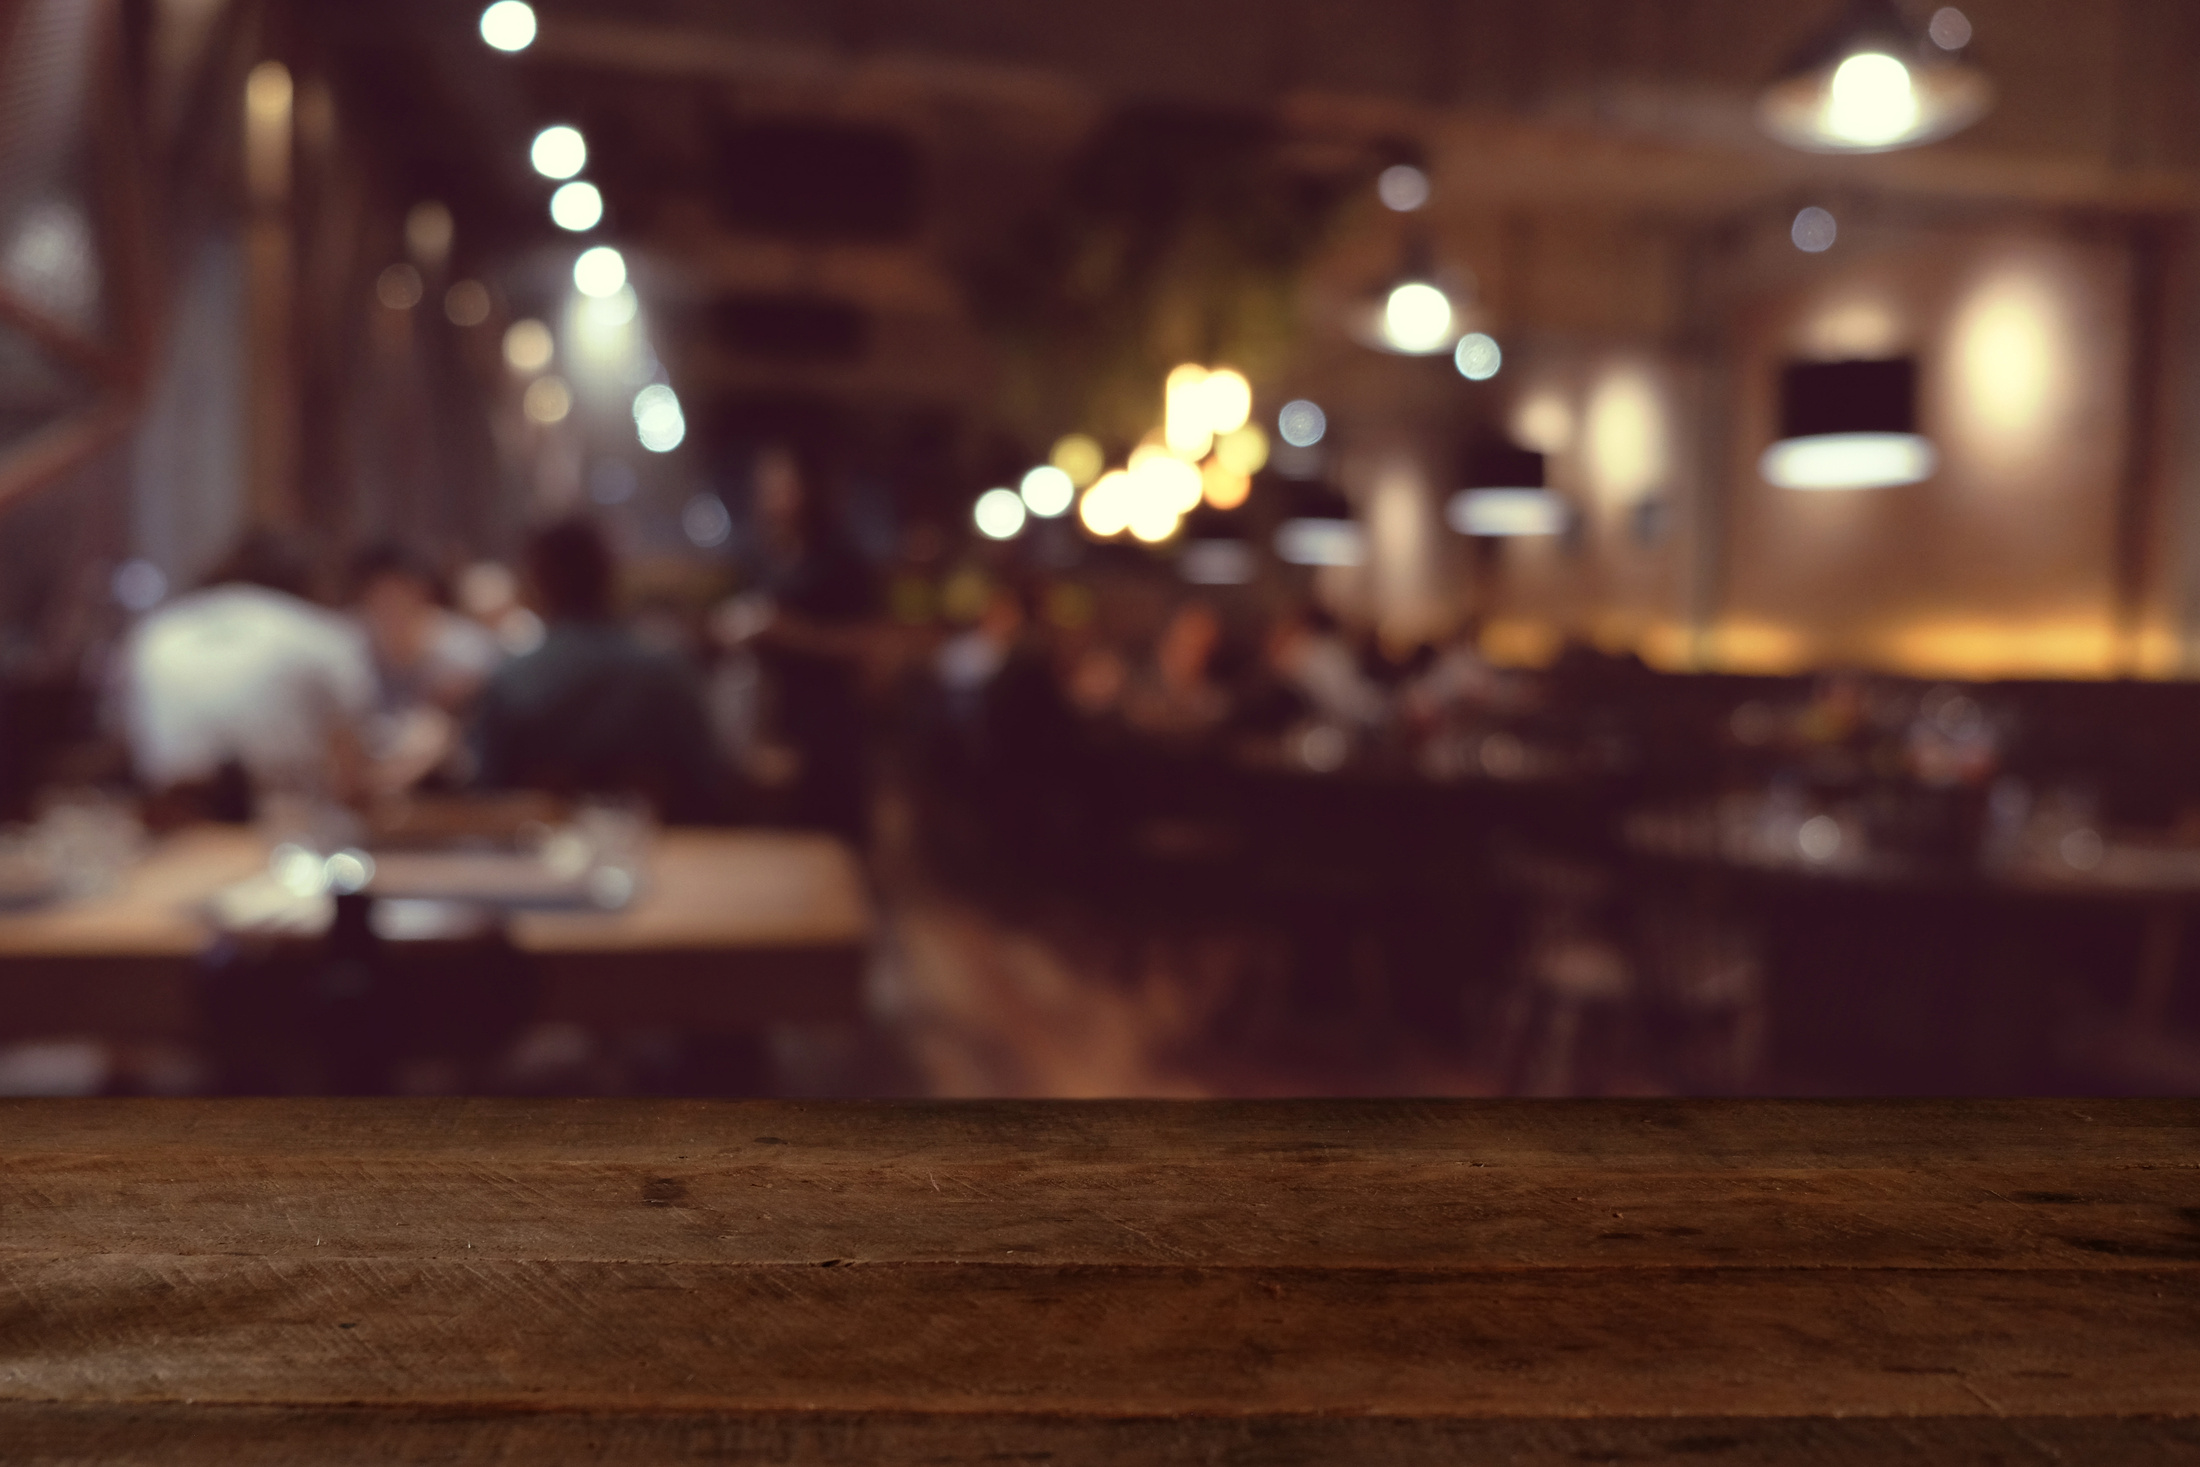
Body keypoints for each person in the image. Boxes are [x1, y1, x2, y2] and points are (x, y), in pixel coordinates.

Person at [472, 516, 727, 823]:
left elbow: (486, 800)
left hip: (541, 860)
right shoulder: (667, 672)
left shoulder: (511, 681)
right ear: (611, 575)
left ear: (537, 582)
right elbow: (710, 785)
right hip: (658, 857)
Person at [118, 531, 375, 812]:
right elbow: (350, 768)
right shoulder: (319, 632)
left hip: (171, 815)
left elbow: (130, 737)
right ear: (305, 580)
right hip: (283, 814)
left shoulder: (156, 632)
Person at [740, 445, 880, 843]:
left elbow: (870, 643)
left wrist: (791, 634)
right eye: (764, 486)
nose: (769, 495)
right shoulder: (766, 556)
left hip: (831, 718)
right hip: (776, 712)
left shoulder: (843, 558)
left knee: (833, 833)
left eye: (780, 485)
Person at [348, 543, 500, 793]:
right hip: (368, 769)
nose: (390, 607)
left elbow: (456, 733)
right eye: (379, 596)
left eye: (399, 594)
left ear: (422, 594)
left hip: (448, 783)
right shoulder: (349, 645)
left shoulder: (465, 650)